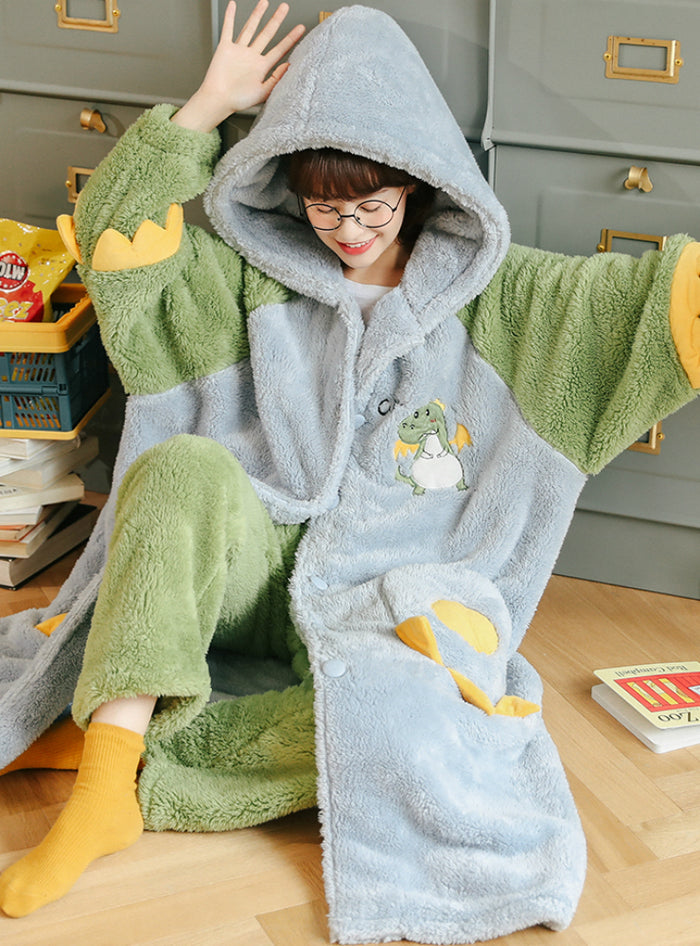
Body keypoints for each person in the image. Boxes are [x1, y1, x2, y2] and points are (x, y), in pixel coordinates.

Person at [0, 2, 697, 941]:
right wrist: (207, 105)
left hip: (378, 597)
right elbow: (117, 238)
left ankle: (123, 738)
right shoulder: (245, 278)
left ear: (417, 185)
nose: (349, 230)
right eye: (326, 208)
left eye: (372, 207)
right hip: (244, 565)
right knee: (177, 468)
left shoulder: (508, 300)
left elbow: (655, 310)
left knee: (405, 715)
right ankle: (102, 790)